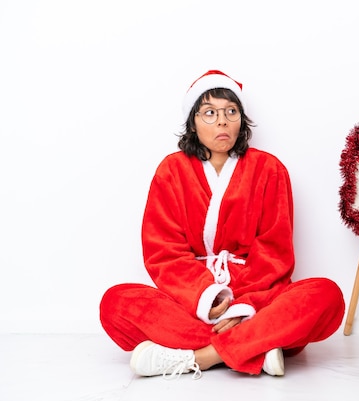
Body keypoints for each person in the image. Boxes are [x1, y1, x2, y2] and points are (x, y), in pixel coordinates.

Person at [99, 69, 345, 379]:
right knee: (115, 303)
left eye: (231, 111)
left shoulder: (269, 169)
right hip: (192, 300)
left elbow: (274, 251)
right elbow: (163, 253)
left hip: (256, 299)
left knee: (326, 296)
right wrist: (209, 297)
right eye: (210, 112)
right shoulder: (171, 171)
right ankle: (257, 348)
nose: (222, 121)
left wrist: (243, 307)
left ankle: (202, 357)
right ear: (193, 122)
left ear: (242, 120)